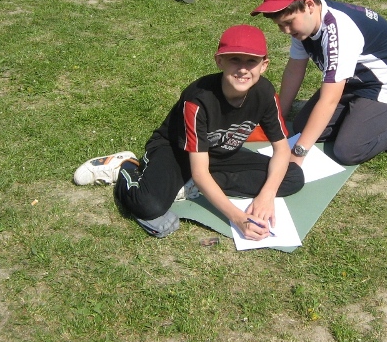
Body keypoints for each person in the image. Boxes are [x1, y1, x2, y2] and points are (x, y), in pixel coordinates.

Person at [73, 25, 304, 240]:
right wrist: (238, 218)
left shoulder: (265, 93)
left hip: (218, 153)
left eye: (252, 61)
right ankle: (126, 166)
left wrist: (266, 196)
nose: (243, 69)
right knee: (149, 206)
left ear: (264, 65)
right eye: (235, 59)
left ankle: (190, 186)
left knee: (293, 176)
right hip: (176, 152)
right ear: (219, 61)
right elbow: (200, 171)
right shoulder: (199, 99)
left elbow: (282, 150)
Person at [251, 0, 387, 167]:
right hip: (356, 79)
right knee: (302, 127)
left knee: (348, 150)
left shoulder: (338, 31)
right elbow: (294, 71)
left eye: (289, 23)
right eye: (280, 25)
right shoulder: (304, 25)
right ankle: (362, 115)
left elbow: (329, 100)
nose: (286, 30)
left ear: (309, 5)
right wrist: (280, 116)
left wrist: (297, 155)